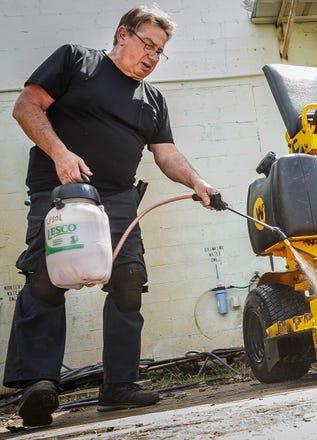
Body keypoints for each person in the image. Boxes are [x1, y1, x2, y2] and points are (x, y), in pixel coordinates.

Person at [4, 5, 221, 427]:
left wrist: (197, 182)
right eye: (147, 44)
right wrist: (60, 153)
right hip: (62, 188)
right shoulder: (76, 61)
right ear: (123, 34)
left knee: (128, 281)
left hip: (119, 199)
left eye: (160, 51)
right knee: (48, 277)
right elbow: (27, 107)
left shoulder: (153, 100)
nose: (152, 56)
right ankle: (37, 386)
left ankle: (119, 387)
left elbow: (166, 154)